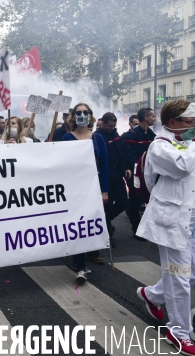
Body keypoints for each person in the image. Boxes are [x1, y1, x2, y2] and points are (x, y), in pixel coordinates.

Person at [135, 100, 195, 356]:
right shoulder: (160, 146)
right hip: (172, 224)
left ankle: (152, 295)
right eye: (189, 122)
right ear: (172, 123)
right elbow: (181, 167)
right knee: (179, 280)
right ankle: (177, 332)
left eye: (194, 123)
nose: (194, 127)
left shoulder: (189, 145)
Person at [63, 103, 109, 283]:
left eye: (86, 112)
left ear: (90, 116)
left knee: (89, 225)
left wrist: (104, 190)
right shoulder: (67, 138)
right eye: (79, 112)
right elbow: (64, 164)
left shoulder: (97, 138)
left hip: (93, 188)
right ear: (73, 116)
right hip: (75, 189)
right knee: (78, 225)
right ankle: (80, 264)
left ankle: (85, 256)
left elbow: (104, 165)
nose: (82, 115)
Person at [96, 112, 129, 247]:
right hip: (105, 176)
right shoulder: (97, 137)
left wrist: (126, 167)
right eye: (110, 126)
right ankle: (107, 234)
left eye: (114, 126)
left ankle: (106, 220)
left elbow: (122, 152)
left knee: (123, 202)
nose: (112, 128)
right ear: (102, 123)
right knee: (107, 205)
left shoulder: (115, 135)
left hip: (117, 174)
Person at [124, 108, 156, 239]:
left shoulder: (151, 133)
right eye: (153, 116)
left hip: (149, 174)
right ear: (146, 118)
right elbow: (130, 156)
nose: (155, 118)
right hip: (136, 174)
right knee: (135, 203)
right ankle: (137, 229)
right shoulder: (133, 135)